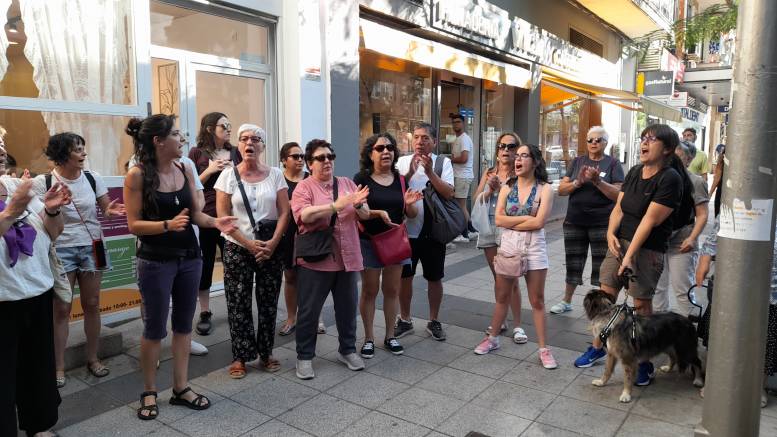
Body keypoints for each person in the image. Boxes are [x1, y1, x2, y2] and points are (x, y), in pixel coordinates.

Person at [124, 115, 236, 420]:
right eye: (175, 134)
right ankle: (149, 391)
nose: (182, 137)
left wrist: (216, 222)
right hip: (155, 261)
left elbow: (195, 214)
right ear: (158, 141)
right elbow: (134, 225)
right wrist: (166, 225)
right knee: (154, 329)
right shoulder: (137, 175)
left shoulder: (185, 167)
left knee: (184, 326)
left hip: (190, 257)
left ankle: (181, 387)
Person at [574, 124, 684, 386]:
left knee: (641, 306)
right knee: (605, 296)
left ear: (667, 149)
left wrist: (629, 256)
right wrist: (610, 234)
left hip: (647, 249)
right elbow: (620, 207)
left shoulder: (670, 178)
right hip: (620, 243)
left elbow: (649, 220)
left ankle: (643, 362)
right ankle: (599, 346)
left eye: (652, 139)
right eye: (643, 138)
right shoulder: (635, 171)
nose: (644, 143)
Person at [33, 133, 126, 389]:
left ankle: (93, 358)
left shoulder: (92, 178)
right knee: (61, 309)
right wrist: (53, 207)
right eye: (77, 149)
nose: (84, 153)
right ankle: (58, 366)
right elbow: (39, 219)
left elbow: (105, 207)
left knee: (92, 303)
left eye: (83, 148)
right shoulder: (44, 182)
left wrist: (109, 211)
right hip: (60, 248)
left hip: (92, 246)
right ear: (63, 154)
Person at [290, 139, 373, 379]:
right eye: (321, 158)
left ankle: (347, 350)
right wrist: (336, 206)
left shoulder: (347, 183)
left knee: (347, 309)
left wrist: (359, 205)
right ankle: (305, 357)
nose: (327, 161)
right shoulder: (304, 188)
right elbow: (304, 215)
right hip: (317, 259)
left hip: (348, 258)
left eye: (330, 156)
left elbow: (365, 215)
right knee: (309, 311)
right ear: (310, 163)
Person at [473, 144, 557, 368]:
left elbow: (540, 223)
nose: (517, 160)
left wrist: (515, 223)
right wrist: (527, 220)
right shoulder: (506, 188)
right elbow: (498, 219)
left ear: (535, 161)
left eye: (524, 156)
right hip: (509, 247)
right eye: (517, 156)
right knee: (503, 296)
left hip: (534, 248)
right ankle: (493, 338)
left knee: (537, 300)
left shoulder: (545, 189)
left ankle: (544, 349)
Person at [215, 124, 288, 378]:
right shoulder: (227, 176)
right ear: (238, 145)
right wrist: (247, 243)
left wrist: (274, 242)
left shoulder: (276, 174)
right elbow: (223, 217)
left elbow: (285, 212)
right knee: (238, 302)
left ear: (263, 146)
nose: (250, 143)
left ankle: (266, 352)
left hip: (269, 247)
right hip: (237, 246)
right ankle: (241, 355)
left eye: (256, 139)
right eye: (245, 139)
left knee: (268, 301)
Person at [1, 175, 71, 437]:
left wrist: (52, 210)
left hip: (36, 293)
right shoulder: (17, 198)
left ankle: (38, 426)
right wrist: (11, 211)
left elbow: (54, 232)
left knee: (37, 371)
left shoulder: (14, 186)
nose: (2, 154)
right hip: (2, 302)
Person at [354, 133, 423, 358]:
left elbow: (410, 214)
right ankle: (368, 338)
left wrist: (410, 205)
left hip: (395, 242)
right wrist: (376, 212)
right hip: (369, 242)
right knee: (370, 290)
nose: (386, 151)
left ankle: (390, 336)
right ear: (370, 154)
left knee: (392, 291)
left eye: (390, 148)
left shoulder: (401, 180)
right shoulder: (362, 179)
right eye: (380, 148)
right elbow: (359, 212)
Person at [551, 126, 624, 314]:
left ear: (605, 143)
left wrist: (598, 181)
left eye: (598, 140)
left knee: (602, 267)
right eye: (590, 140)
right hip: (575, 221)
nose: (593, 143)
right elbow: (561, 190)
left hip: (602, 223)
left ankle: (601, 307)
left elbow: (618, 194)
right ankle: (566, 301)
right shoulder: (577, 162)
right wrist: (578, 182)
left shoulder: (613, 164)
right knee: (573, 262)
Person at [395, 123, 455, 341]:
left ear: (434, 142)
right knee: (405, 278)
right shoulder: (402, 161)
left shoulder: (442, 162)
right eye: (417, 137)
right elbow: (394, 190)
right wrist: (411, 171)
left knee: (435, 278)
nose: (420, 141)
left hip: (433, 232)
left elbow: (449, 192)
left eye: (425, 138)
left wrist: (430, 172)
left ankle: (434, 320)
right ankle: (404, 319)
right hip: (406, 232)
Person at [188, 112, 239, 336]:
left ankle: (235, 307)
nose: (228, 129)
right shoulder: (196, 153)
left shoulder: (235, 152)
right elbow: (190, 186)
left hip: (232, 215)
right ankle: (205, 312)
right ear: (210, 129)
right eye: (223, 126)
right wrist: (210, 170)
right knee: (207, 263)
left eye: (229, 125)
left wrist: (233, 170)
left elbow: (246, 180)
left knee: (233, 265)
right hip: (208, 217)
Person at [472, 132, 525, 342]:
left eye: (511, 147)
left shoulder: (520, 173)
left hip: (509, 228)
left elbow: (524, 203)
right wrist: (489, 190)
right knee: (498, 277)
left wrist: (501, 189)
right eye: (502, 146)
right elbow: (476, 198)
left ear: (517, 151)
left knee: (511, 279)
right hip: (488, 226)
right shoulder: (489, 172)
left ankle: (518, 326)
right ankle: (501, 320)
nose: (505, 150)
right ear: (497, 151)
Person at [652, 141, 708, 315]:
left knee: (683, 290)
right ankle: (659, 325)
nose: (672, 159)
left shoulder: (696, 181)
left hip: (682, 242)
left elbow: (702, 214)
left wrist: (692, 238)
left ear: (689, 159)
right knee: (657, 288)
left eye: (678, 155)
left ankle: (688, 326)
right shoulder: (660, 177)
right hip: (659, 241)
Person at [278, 142, 308, 336]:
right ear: (284, 160)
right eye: (295, 156)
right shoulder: (279, 180)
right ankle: (291, 318)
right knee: (290, 277)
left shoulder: (310, 178)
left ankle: (315, 317)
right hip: (287, 233)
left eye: (302, 156)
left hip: (309, 233)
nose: (300, 160)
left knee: (311, 277)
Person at [450, 113, 477, 243]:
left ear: (463, 123)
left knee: (460, 206)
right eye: (454, 122)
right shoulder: (457, 139)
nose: (456, 124)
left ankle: (464, 234)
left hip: (463, 176)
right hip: (459, 176)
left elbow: (464, 158)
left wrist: (450, 160)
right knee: (461, 205)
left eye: (458, 122)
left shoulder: (464, 139)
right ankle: (471, 230)